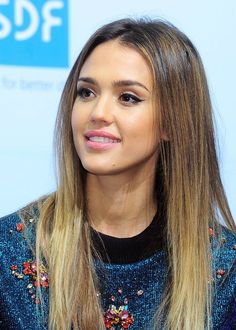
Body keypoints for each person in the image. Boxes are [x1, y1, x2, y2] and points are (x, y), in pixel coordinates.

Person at [0, 17, 235, 330]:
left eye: (128, 98)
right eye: (86, 92)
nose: (98, 113)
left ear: (171, 123)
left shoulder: (224, 266)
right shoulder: (10, 251)